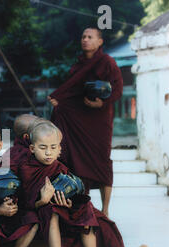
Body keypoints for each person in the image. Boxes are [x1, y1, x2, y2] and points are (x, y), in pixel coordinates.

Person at [20, 122, 121, 247]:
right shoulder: (27, 168)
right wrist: (42, 201)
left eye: (53, 147)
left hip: (61, 206)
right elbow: (24, 201)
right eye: (43, 147)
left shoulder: (60, 167)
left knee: (85, 207)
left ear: (59, 149)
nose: (48, 153)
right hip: (40, 210)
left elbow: (70, 191)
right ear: (32, 149)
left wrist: (69, 203)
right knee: (52, 213)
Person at [48, 27, 124, 217]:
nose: (85, 40)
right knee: (77, 162)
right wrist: (60, 100)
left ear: (100, 42)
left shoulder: (107, 62)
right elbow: (73, 91)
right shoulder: (78, 65)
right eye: (83, 36)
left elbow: (118, 87)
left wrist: (103, 102)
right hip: (80, 117)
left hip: (99, 119)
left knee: (102, 162)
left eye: (90, 37)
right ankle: (83, 205)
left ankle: (105, 210)